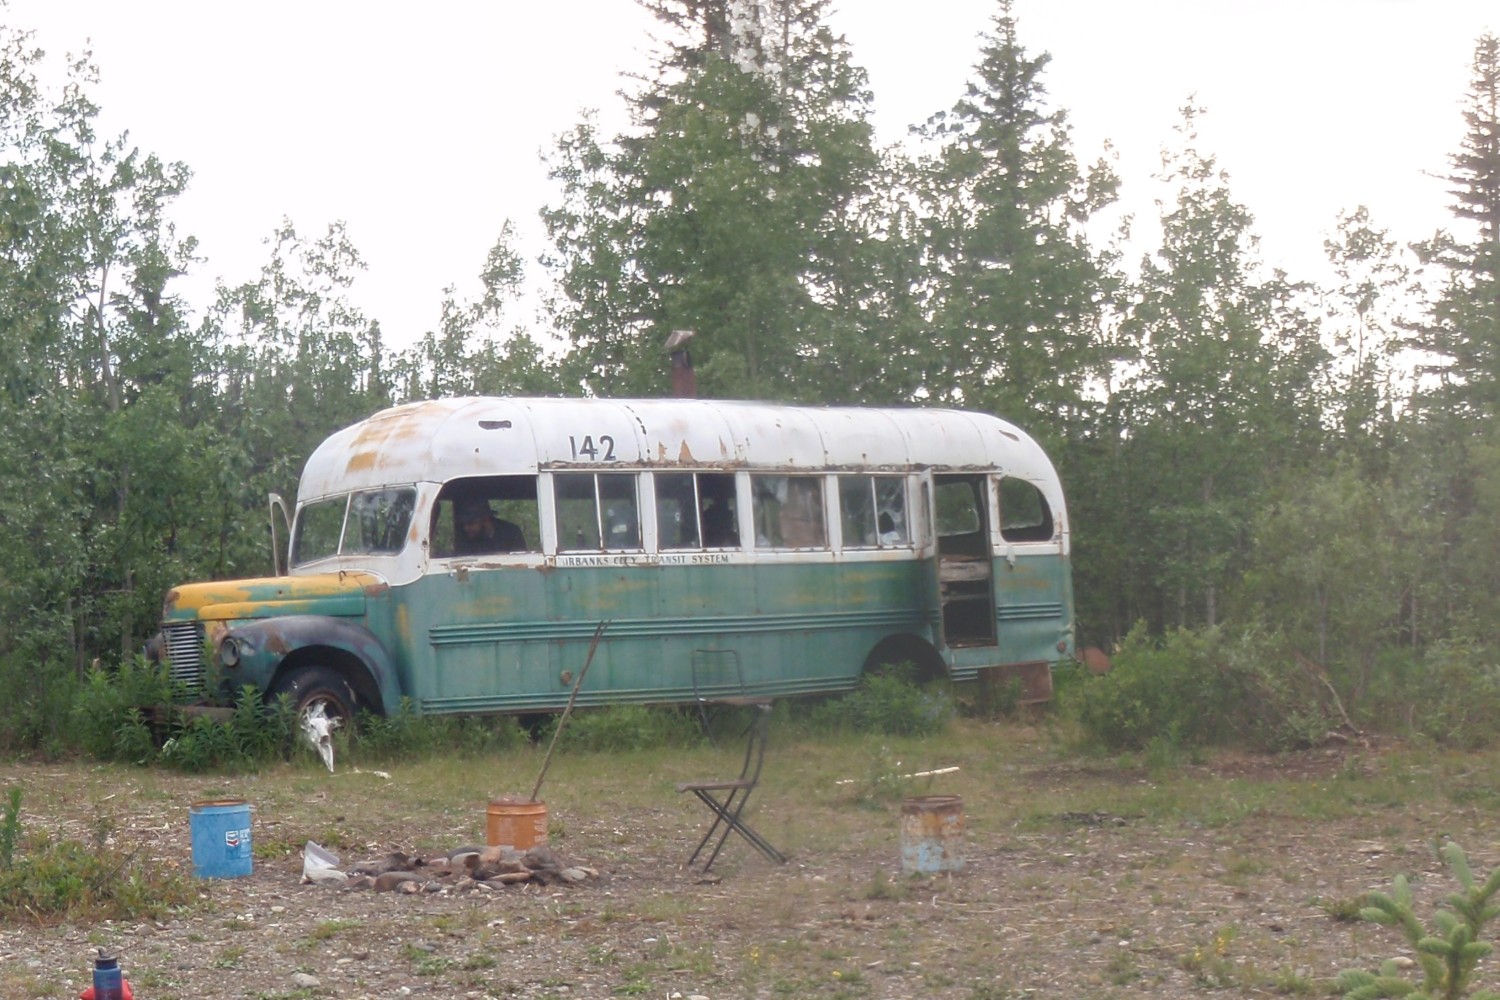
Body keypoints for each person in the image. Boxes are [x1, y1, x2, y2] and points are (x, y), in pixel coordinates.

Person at [454, 497, 526, 555]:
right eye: (463, 524)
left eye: (471, 523)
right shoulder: (465, 538)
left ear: (486, 520)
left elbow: (521, 562)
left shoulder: (511, 533)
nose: (466, 528)